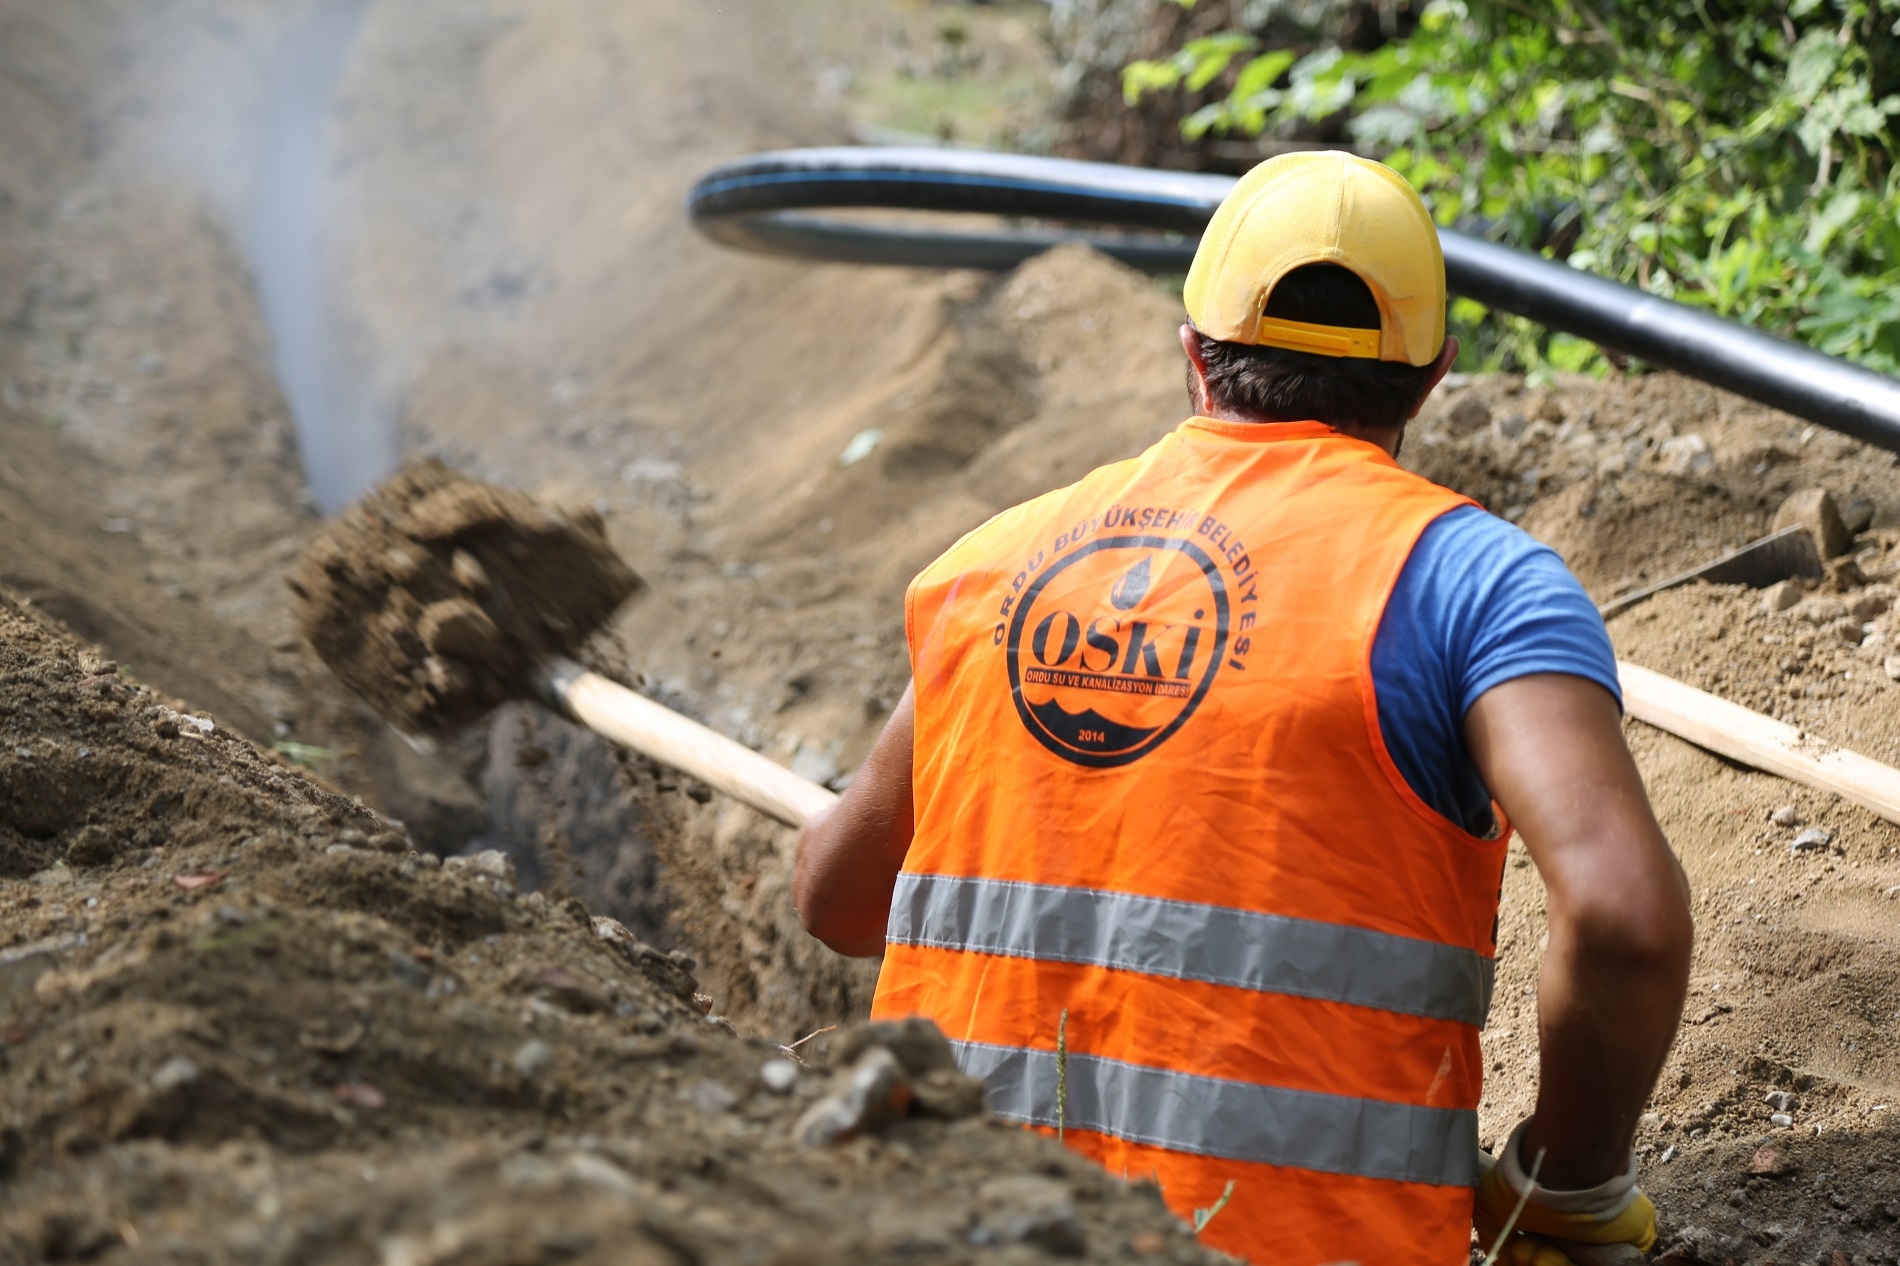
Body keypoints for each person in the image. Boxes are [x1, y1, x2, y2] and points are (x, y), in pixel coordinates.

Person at [791, 151, 1693, 1266]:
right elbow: (1622, 919)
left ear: (1192, 359)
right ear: (1430, 378)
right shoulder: (1475, 584)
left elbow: (835, 898)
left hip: (946, 1235)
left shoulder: (987, 569)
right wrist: (1567, 1189)